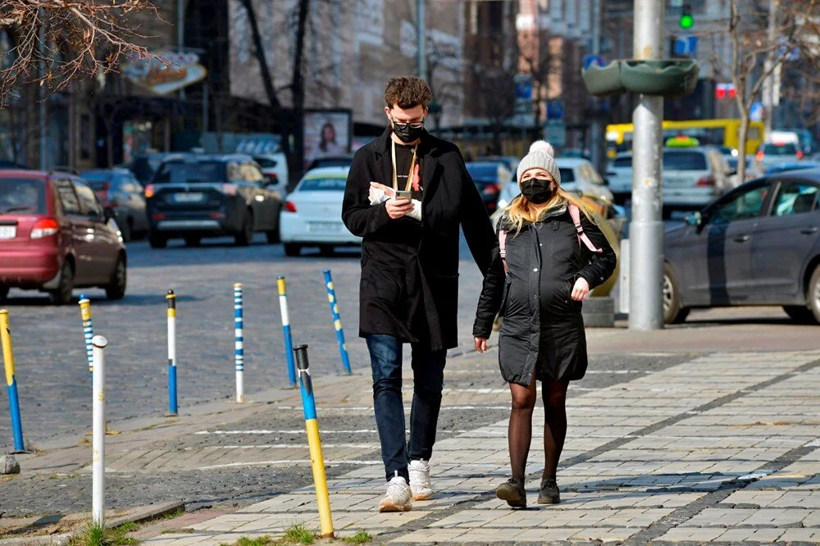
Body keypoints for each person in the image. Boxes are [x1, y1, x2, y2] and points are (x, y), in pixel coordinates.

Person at [342, 76, 496, 513]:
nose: (408, 125)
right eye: (400, 118)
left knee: (429, 379)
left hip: (433, 281)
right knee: (385, 376)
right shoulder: (367, 157)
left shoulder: (445, 155)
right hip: (383, 282)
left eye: (415, 118)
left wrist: (496, 276)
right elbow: (351, 216)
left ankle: (420, 460)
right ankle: (395, 476)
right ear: (388, 110)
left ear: (425, 112)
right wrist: (381, 213)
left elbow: (465, 217)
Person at [472, 141, 616, 509]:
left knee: (554, 398)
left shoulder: (573, 215)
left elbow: (605, 257)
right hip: (518, 323)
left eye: (541, 175)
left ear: (554, 180)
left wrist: (585, 278)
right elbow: (494, 278)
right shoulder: (506, 223)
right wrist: (483, 323)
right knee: (521, 398)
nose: (534, 181)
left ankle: (549, 480)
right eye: (528, 176)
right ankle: (515, 482)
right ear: (520, 181)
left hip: (560, 323)